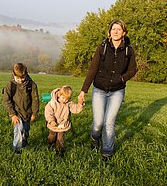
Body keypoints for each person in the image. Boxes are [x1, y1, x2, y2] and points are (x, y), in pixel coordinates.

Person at [78, 19, 137, 160]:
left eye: (119, 29)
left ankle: (107, 152)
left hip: (117, 91)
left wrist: (122, 79)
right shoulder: (102, 48)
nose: (115, 31)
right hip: (99, 90)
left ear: (124, 33)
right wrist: (83, 91)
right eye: (113, 29)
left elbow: (133, 70)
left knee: (109, 122)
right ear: (109, 32)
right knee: (98, 123)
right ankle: (94, 138)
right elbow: (93, 69)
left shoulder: (129, 50)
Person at [2, 63, 39, 154]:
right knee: (18, 131)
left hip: (27, 112)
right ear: (13, 74)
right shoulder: (10, 84)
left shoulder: (31, 84)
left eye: (23, 78)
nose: (21, 80)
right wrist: (12, 114)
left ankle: (25, 143)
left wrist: (34, 113)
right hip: (16, 113)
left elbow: (35, 99)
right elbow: (6, 100)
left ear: (26, 74)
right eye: (18, 78)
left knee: (26, 130)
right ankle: (17, 150)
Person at [45, 85, 84, 157]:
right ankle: (50, 146)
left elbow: (75, 109)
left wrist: (80, 104)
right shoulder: (52, 103)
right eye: (63, 98)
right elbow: (48, 113)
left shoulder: (69, 104)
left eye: (67, 99)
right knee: (52, 137)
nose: (65, 100)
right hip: (53, 125)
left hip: (62, 125)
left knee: (60, 139)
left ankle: (60, 152)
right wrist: (51, 121)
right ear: (59, 95)